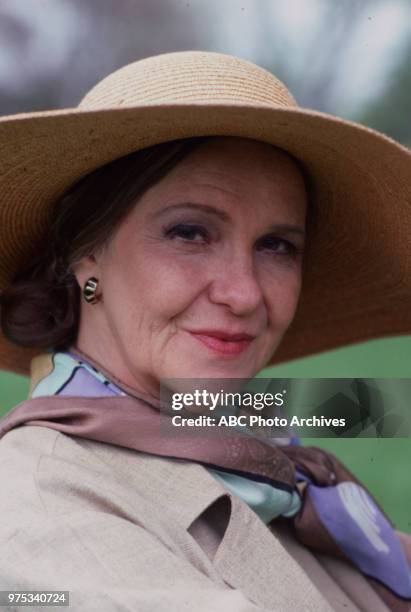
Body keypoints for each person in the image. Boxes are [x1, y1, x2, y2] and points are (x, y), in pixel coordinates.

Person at [0, 50, 410, 612]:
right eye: (190, 233)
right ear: (85, 257)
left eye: (277, 246)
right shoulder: (37, 510)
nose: (243, 293)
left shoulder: (262, 461)